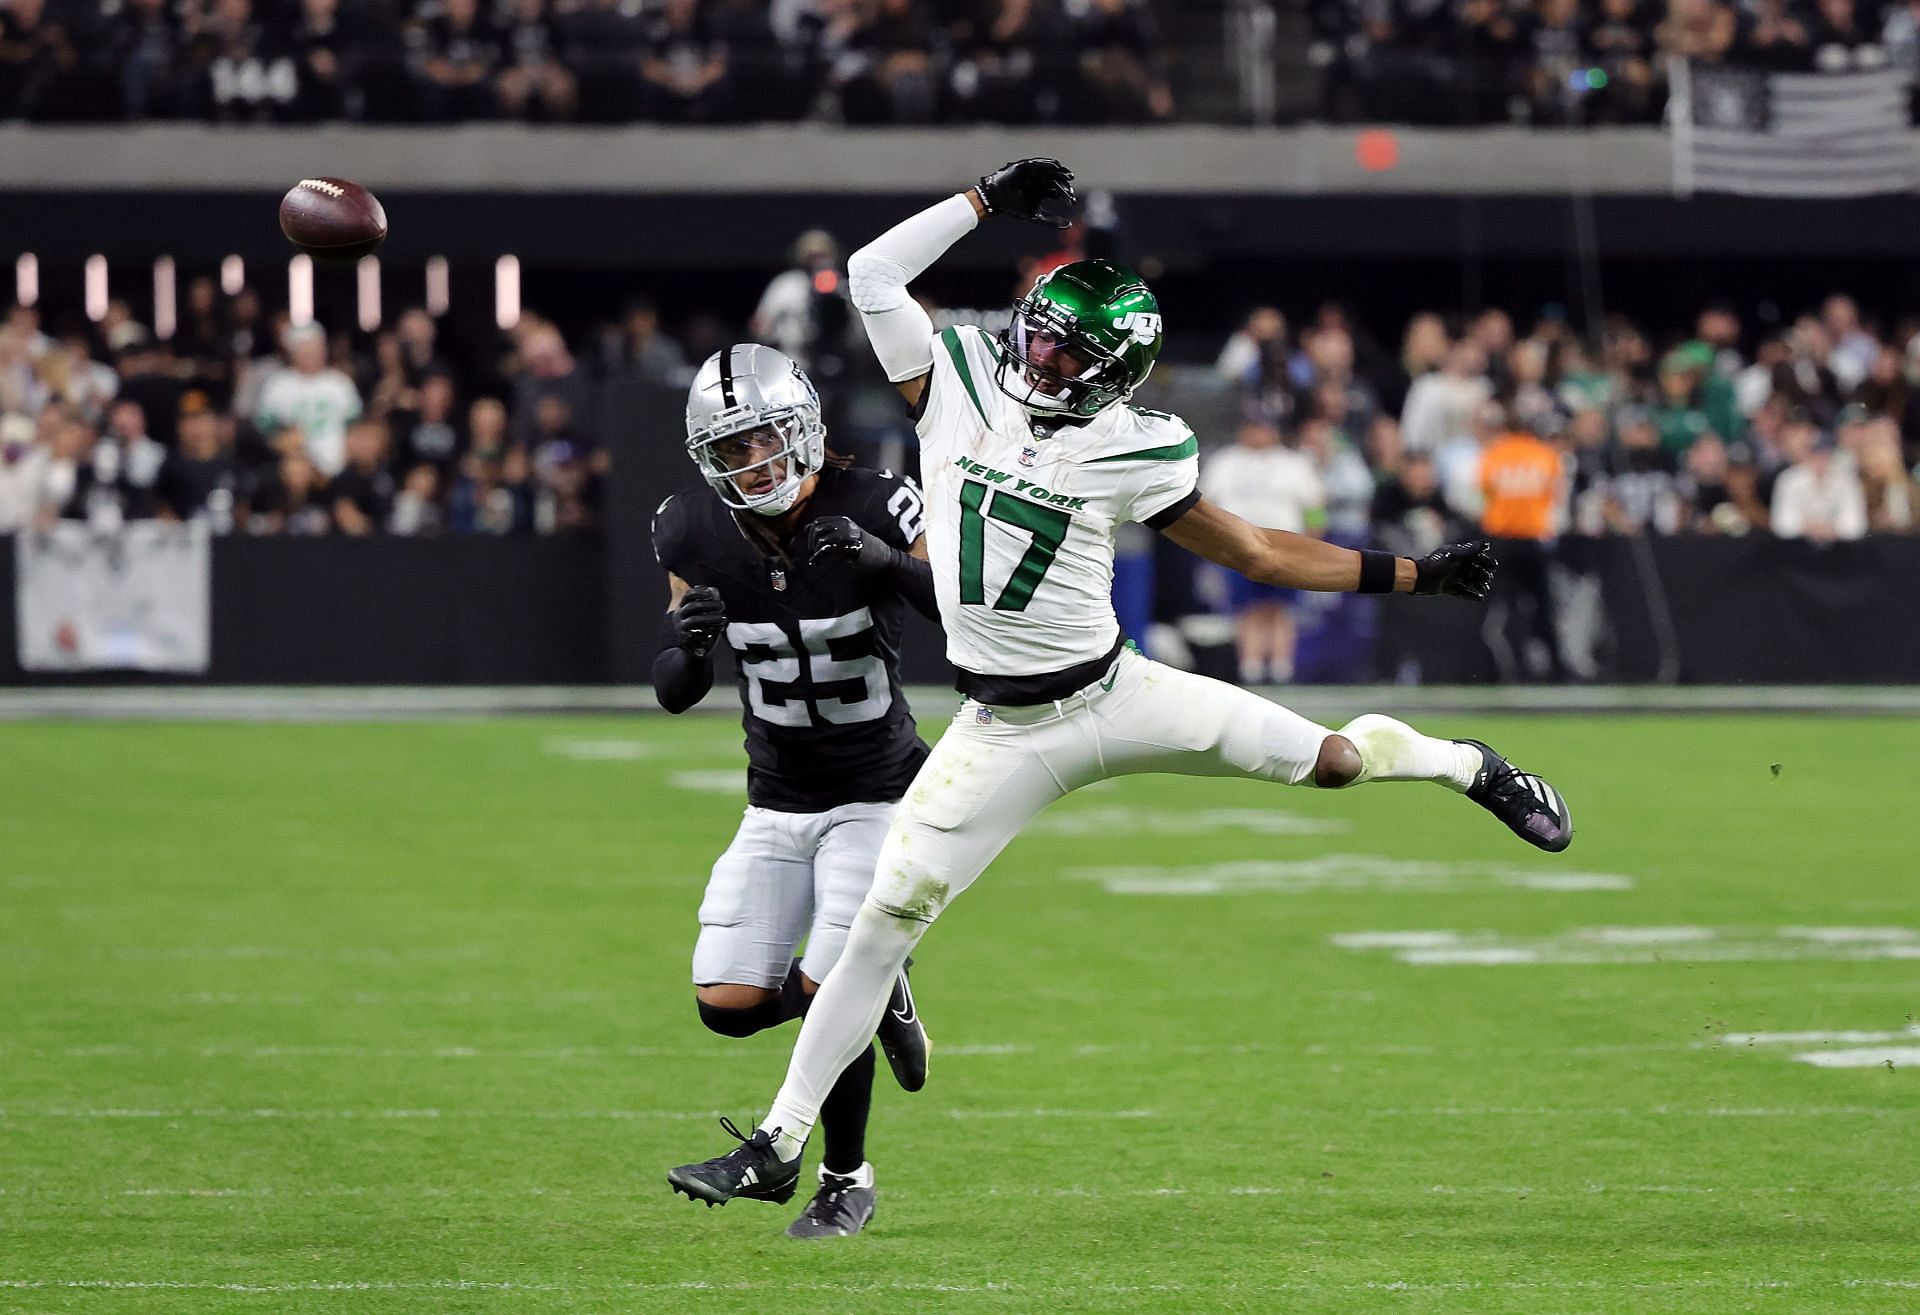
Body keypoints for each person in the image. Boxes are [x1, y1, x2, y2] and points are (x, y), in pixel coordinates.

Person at [667, 159, 1573, 1209]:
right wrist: (985, 200)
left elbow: (1259, 554)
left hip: (1115, 695)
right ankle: (779, 1145)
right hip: (996, 728)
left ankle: (1467, 766)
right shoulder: (954, 382)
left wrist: (1413, 573)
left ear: (1113, 374)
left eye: (1064, 349)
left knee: (1329, 762)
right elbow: (873, 274)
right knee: (880, 924)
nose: (1037, 353)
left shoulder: (1138, 447)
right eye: (1038, 330)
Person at [653, 343, 937, 1239]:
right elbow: (670, 687)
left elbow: (964, 614)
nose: (756, 463)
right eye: (732, 450)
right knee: (725, 1007)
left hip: (881, 789)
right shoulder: (689, 529)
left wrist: (882, 559)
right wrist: (690, 647)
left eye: (768, 438)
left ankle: (843, 1178)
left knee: (827, 988)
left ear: (806, 426)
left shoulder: (876, 501)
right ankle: (881, 989)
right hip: (775, 795)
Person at [1198, 420, 1324, 684]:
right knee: (1247, 609)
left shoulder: (1293, 463)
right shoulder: (1226, 461)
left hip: (1284, 545)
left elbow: (1314, 505)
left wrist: (1312, 544)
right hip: (1238, 547)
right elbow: (1205, 505)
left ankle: (1281, 667)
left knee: (1281, 608)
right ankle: (1250, 666)